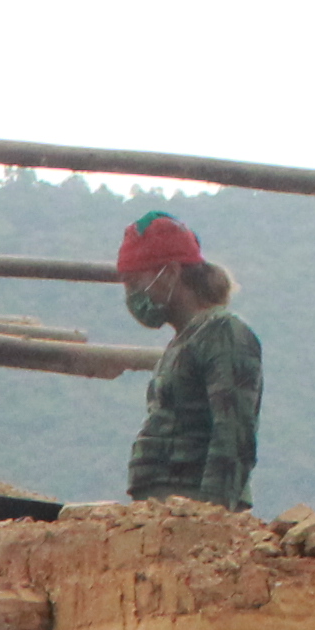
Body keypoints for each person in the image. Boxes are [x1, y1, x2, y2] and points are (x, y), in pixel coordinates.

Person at [117, 211, 263, 509]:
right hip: (163, 511)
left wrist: (210, 519)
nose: (131, 295)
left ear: (170, 273)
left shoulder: (223, 333)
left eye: (135, 283)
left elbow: (233, 436)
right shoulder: (183, 342)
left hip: (194, 511)